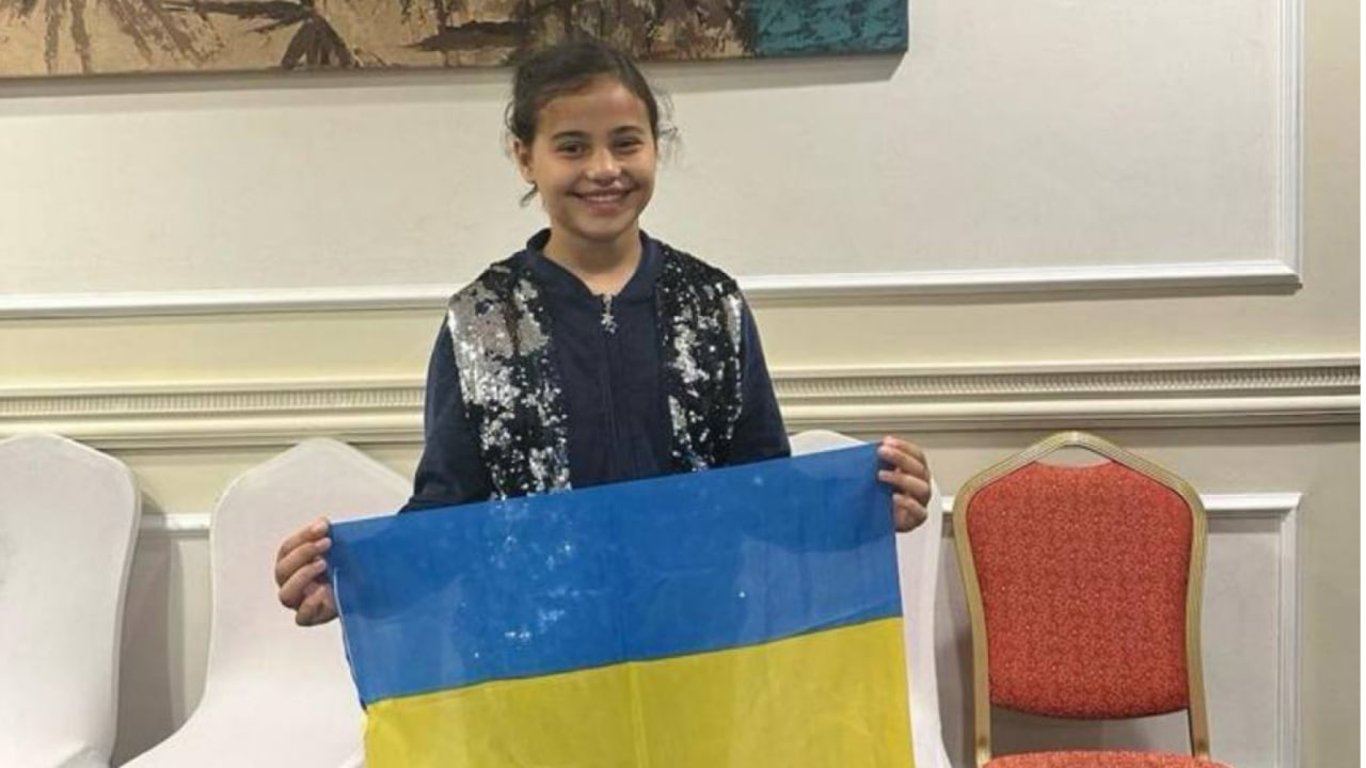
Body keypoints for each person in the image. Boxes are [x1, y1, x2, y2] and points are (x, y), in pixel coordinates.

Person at [275, 37, 932, 627]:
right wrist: (354, 580)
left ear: (655, 146)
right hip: (536, 651)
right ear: (525, 157)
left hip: (697, 636)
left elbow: (763, 485)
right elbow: (449, 506)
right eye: (571, 146)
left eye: (626, 142)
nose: (603, 169)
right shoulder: (482, 320)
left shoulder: (712, 305)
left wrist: (868, 504)